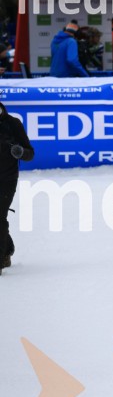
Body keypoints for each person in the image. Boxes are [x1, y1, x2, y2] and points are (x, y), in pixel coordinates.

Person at [0, 102, 34, 275]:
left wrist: (20, 152)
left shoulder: (13, 124)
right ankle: (6, 250)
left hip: (6, 179)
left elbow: (30, 153)